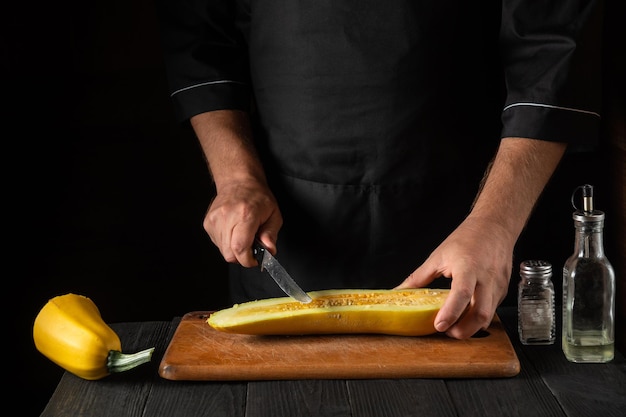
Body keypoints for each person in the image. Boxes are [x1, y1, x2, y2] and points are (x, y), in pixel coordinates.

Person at [156, 0, 602, 339]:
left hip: (472, 222)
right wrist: (236, 178)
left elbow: (553, 47)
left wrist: (495, 223)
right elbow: (200, 38)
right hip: (288, 233)